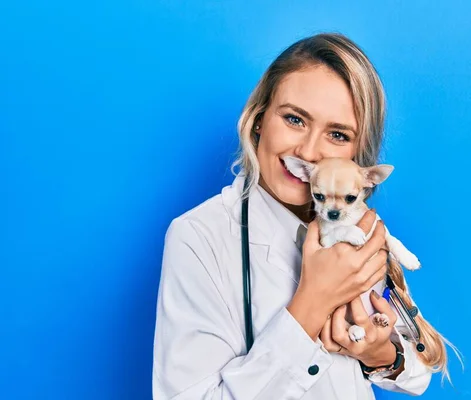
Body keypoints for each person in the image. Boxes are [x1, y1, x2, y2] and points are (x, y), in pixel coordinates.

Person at [152, 33, 434, 399]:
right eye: (294, 119)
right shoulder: (199, 237)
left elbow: (419, 370)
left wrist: (382, 355)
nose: (310, 151)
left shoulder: (359, 226)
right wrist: (312, 302)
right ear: (258, 119)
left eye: (337, 134)